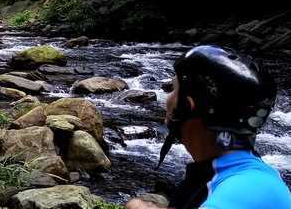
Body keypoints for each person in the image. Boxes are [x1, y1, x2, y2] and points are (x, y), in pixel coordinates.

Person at [125, 45, 291, 209]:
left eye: (173, 89)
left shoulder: (251, 185)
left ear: (187, 105)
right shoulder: (237, 175)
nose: (168, 98)